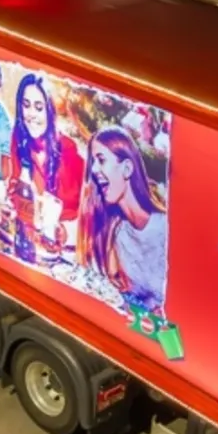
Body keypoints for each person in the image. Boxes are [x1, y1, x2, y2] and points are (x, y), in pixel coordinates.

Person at [80, 126, 170, 314]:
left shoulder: (165, 229)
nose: (95, 170)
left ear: (127, 168)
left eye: (101, 160)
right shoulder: (118, 232)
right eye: (93, 162)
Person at [10, 74, 85, 254]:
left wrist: (64, 232)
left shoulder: (68, 150)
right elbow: (14, 188)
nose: (31, 115)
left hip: (67, 251)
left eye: (39, 107)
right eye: (26, 105)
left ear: (50, 112)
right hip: (29, 242)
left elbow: (89, 215)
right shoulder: (18, 138)